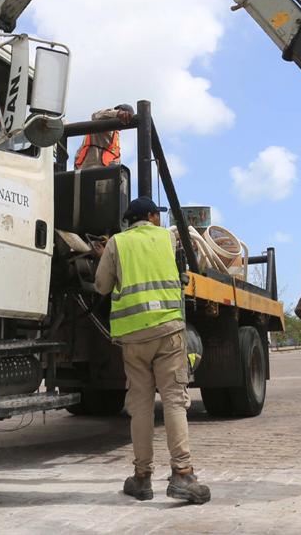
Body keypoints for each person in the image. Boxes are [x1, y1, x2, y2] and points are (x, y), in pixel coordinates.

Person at [94, 197, 210, 504]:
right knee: (174, 401)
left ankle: (142, 479)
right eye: (155, 215)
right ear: (149, 216)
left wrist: (106, 254)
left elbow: (101, 287)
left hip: (133, 337)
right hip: (169, 332)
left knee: (140, 406)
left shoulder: (116, 244)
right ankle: (182, 475)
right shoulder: (168, 237)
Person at [74, 104, 133, 168]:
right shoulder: (102, 123)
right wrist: (117, 113)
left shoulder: (116, 137)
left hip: (104, 173)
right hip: (88, 169)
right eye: (125, 117)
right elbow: (95, 115)